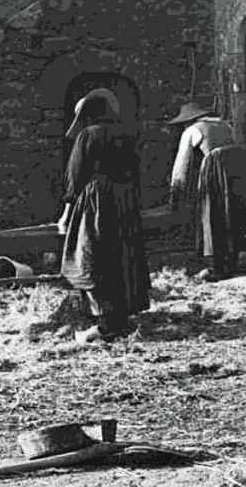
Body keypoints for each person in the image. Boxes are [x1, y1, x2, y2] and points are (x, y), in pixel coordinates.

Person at [56, 88, 149, 342]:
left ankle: (106, 325)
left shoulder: (87, 136)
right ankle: (119, 319)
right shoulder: (127, 134)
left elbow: (75, 178)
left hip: (98, 202)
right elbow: (136, 170)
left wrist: (66, 213)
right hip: (125, 202)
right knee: (121, 257)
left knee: (93, 258)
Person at [167, 102, 246, 280]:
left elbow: (182, 163)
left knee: (212, 214)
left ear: (190, 120)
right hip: (237, 171)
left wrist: (176, 189)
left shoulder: (192, 131)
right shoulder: (225, 125)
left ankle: (216, 266)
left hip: (215, 171)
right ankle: (232, 261)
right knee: (232, 214)